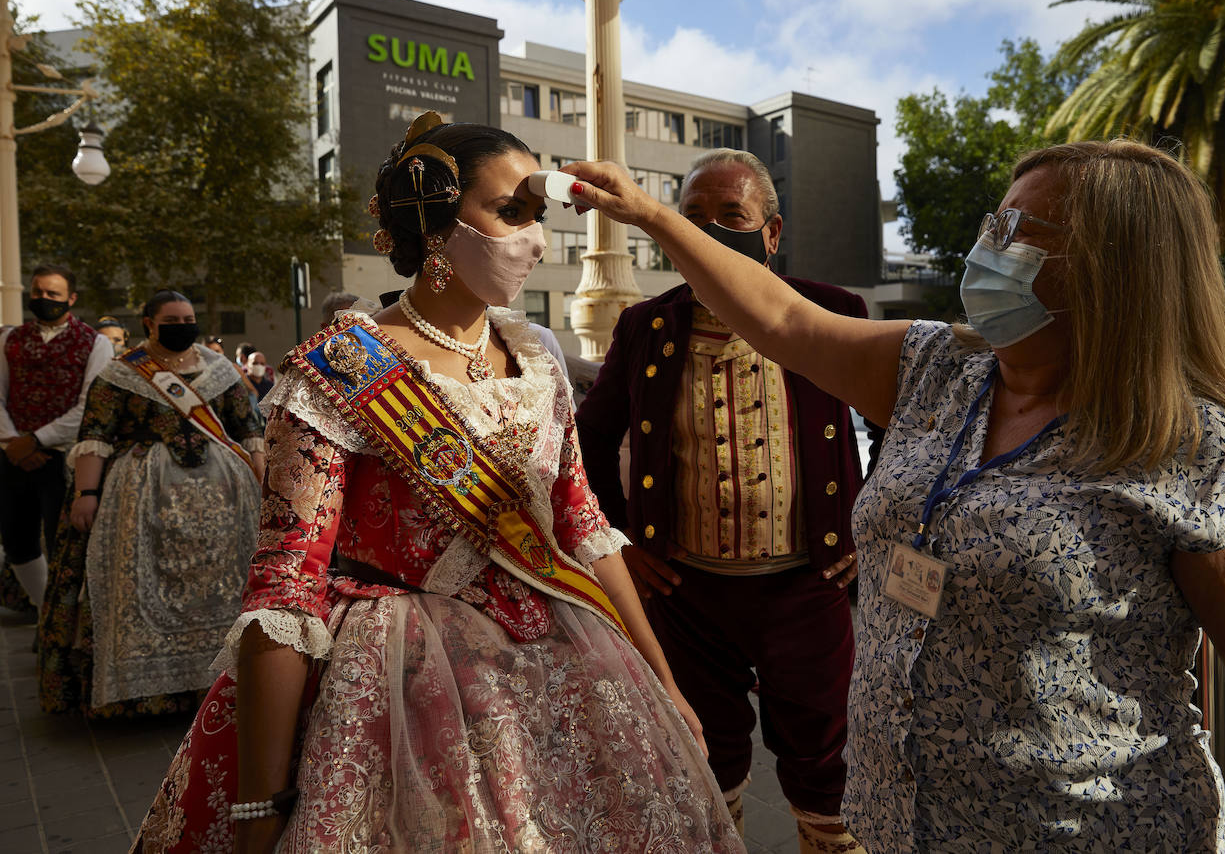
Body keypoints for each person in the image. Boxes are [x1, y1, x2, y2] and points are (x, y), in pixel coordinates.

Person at [559, 139, 1225, 853]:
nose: (986, 252)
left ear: (1116, 265)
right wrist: (649, 215)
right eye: (991, 226)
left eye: (1020, 233)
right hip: (902, 829)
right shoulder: (939, 369)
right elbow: (780, 317)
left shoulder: (1192, 449)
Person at [132, 113, 743, 853]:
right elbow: (286, 588)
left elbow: (582, 523)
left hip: (559, 656)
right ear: (436, 224)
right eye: (509, 213)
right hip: (397, 680)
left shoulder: (534, 361)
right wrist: (258, 807)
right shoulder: (338, 371)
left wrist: (664, 680)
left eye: (537, 215)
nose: (534, 238)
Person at [576, 148, 871, 852]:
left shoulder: (831, 311)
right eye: (693, 218)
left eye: (730, 216)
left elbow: (901, 430)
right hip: (687, 598)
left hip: (808, 587)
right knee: (704, 760)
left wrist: (874, 534)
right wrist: (621, 540)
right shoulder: (646, 327)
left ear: (771, 233)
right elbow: (586, 440)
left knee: (828, 766)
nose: (709, 231)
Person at [37, 289, 265, 717]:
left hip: (227, 502)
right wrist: (86, 495)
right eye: (172, 320)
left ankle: (226, 678)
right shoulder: (122, 373)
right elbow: (96, 437)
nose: (183, 326)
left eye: (188, 318)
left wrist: (264, 482)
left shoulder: (220, 370)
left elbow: (249, 431)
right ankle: (144, 693)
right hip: (141, 498)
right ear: (149, 323)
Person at [0, 266, 113, 610]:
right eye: (38, 292)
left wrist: (35, 440)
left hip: (67, 459)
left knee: (64, 544)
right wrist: (11, 443)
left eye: (53, 294)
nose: (44, 299)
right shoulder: (8, 338)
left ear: (71, 298)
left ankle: (62, 620)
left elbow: (90, 406)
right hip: (13, 455)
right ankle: (46, 613)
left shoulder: (96, 342)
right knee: (17, 543)